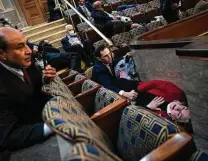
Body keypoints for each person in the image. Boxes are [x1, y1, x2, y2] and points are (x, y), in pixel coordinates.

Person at [0, 27, 56, 151]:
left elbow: (32, 90)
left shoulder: (26, 63)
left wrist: (44, 80)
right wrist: (55, 125)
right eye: (20, 47)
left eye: (27, 43)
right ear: (2, 54)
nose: (29, 50)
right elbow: (10, 136)